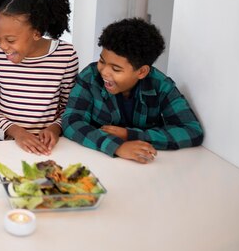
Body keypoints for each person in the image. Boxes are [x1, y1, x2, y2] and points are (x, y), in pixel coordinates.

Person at [62, 18, 204, 164]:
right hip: (97, 160)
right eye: (102, 61)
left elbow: (192, 130)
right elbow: (71, 121)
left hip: (145, 165)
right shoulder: (90, 76)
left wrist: (131, 135)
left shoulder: (161, 86)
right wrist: (117, 147)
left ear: (142, 72)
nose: (104, 72)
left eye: (116, 69)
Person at [0, 0, 78, 155]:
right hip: (1, 147)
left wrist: (55, 129)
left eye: (10, 40)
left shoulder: (66, 55)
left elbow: (69, 108)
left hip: (47, 148)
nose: (2, 45)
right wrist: (18, 133)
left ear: (36, 33)